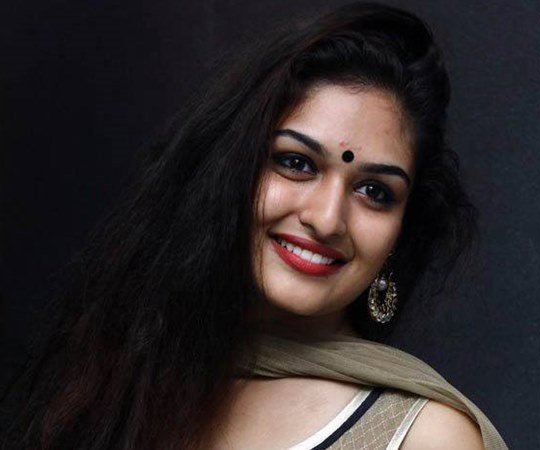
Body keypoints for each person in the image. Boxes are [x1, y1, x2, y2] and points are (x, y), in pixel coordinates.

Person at [2, 2, 508, 449]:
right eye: (297, 163)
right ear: (228, 173)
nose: (326, 218)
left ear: (401, 232)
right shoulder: (116, 381)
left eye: (374, 192)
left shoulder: (421, 437)